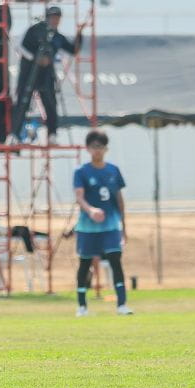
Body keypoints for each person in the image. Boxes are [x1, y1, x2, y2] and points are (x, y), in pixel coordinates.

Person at [73, 130, 131, 317]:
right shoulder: (81, 172)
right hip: (88, 227)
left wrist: (124, 226)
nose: (97, 151)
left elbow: (119, 200)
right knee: (85, 263)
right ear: (88, 149)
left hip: (111, 226)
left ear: (106, 149)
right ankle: (82, 306)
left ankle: (122, 304)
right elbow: (79, 197)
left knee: (115, 260)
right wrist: (91, 210)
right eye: (94, 147)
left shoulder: (113, 170)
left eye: (101, 147)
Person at [6, 4, 82, 146]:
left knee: (51, 103)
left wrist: (80, 34)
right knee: (22, 102)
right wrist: (36, 59)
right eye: (52, 17)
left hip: (46, 75)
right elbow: (21, 47)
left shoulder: (58, 37)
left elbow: (73, 50)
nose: (55, 20)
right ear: (47, 17)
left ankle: (52, 135)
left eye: (57, 18)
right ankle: (14, 135)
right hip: (28, 73)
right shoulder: (35, 30)